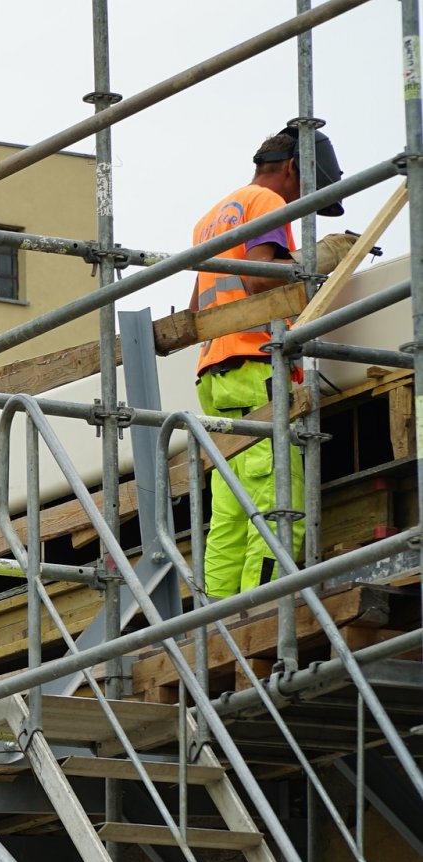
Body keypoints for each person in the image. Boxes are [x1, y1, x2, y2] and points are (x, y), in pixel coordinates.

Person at [189, 126, 355, 598]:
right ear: (292, 168)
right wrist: (316, 262)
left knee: (230, 512)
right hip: (254, 365)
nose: (301, 206)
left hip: (215, 372)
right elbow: (260, 278)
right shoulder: (267, 202)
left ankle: (217, 619)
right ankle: (263, 613)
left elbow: (197, 306)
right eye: (305, 192)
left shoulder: (212, 218)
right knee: (279, 505)